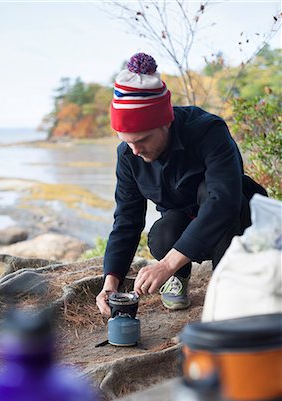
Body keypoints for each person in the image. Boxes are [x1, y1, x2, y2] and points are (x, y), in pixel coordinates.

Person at [96, 52, 267, 316]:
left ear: (165, 122)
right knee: (163, 232)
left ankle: (229, 283)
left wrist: (166, 265)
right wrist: (111, 281)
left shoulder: (209, 131)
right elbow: (126, 220)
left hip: (237, 217)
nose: (136, 150)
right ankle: (181, 276)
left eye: (142, 140)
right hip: (184, 222)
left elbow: (223, 202)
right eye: (127, 141)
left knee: (209, 194)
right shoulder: (129, 155)